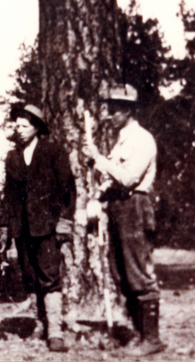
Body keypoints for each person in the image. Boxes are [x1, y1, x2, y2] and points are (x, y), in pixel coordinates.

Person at [83, 84, 166, 356]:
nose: (112, 113)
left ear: (130, 109)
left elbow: (129, 177)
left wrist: (98, 158)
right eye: (110, 107)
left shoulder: (141, 139)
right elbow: (112, 177)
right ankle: (139, 335)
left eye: (118, 108)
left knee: (139, 273)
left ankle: (151, 339)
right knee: (122, 275)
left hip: (135, 207)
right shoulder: (121, 140)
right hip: (118, 207)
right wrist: (96, 173)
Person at [3, 104, 76, 352]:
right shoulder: (12, 158)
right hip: (23, 230)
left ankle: (55, 330)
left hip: (47, 227)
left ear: (36, 128)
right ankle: (39, 324)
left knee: (49, 276)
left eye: (24, 126)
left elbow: (68, 189)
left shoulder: (53, 151)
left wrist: (64, 222)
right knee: (30, 275)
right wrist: (9, 232)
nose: (19, 130)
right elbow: (10, 197)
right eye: (16, 126)